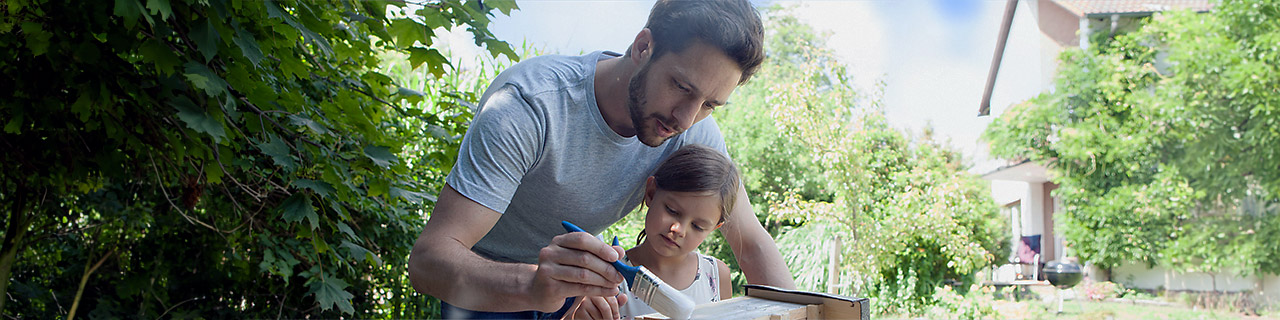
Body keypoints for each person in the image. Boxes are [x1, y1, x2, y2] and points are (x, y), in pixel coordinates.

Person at [408, 0, 796, 318]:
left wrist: (813, 311)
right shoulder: (531, 105)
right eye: (680, 86)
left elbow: (751, 244)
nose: (686, 119)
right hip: (491, 283)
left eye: (710, 104)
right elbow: (428, 262)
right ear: (644, 46)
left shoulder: (693, 130)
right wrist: (532, 285)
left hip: (583, 288)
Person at [568, 144, 737, 319]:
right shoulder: (607, 277)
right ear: (651, 192)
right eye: (672, 210)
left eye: (698, 226)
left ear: (714, 228)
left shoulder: (717, 276)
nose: (678, 229)